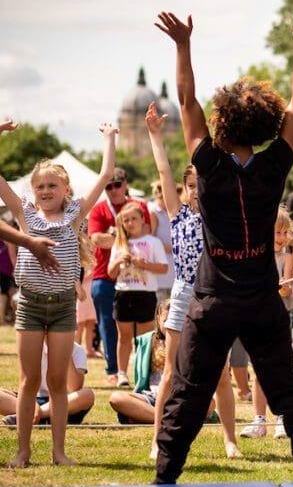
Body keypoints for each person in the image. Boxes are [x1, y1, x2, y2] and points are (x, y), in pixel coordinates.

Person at [153, 10, 293, 485]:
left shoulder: (207, 165)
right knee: (286, 391)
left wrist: (183, 44)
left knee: (188, 393)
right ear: (263, 125)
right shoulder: (274, 167)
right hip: (260, 303)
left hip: (212, 303)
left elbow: (186, 98)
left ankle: (165, 476)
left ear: (221, 125)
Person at [0, 120, 116, 467]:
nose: (46, 191)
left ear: (66, 190)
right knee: (29, 379)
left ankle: (59, 451)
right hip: (31, 306)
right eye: (40, 186)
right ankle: (23, 451)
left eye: (53, 185)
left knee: (57, 382)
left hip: (64, 307)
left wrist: (109, 138)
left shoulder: (75, 214)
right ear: (32, 191)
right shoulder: (25, 214)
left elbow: (106, 173)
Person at [145, 102, 242, 459]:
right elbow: (162, 169)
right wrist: (155, 135)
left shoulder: (223, 216)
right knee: (171, 370)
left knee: (220, 373)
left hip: (215, 294)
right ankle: (158, 439)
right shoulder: (179, 214)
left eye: (201, 183)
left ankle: (230, 439)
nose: (196, 190)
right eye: (191, 185)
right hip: (185, 291)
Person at [88, 166, 153, 385]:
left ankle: (141, 371)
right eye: (108, 186)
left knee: (142, 329)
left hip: (137, 277)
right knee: (107, 325)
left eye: (117, 185)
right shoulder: (98, 209)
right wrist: (126, 237)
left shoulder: (141, 205)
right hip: (104, 276)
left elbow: (146, 234)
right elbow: (96, 240)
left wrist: (113, 236)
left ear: (125, 185)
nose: (113, 190)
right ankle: (113, 370)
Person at [242, 206, 293, 439]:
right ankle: (259, 419)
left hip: (282, 314)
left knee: (281, 368)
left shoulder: (287, 257)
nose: (282, 238)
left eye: (285, 233)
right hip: (257, 314)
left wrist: (285, 287)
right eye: (277, 232)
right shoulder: (254, 256)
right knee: (257, 369)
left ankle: (283, 419)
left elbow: (286, 292)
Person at [108, 202, 168, 387]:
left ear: (143, 219)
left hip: (145, 293)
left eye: (134, 218)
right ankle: (122, 373)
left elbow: (164, 268)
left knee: (145, 338)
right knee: (124, 336)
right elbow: (110, 273)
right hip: (123, 293)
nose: (130, 223)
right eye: (126, 220)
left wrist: (145, 265)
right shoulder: (119, 244)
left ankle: (143, 375)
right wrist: (118, 261)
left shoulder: (153, 242)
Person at [0, 342, 95, 427]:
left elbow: (74, 387)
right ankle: (34, 414)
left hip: (66, 403)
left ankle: (29, 415)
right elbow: (27, 384)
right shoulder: (32, 346)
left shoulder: (77, 349)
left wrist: (65, 352)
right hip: (34, 400)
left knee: (87, 395)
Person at [148, 180, 176, 301]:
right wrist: (173, 249)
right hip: (160, 279)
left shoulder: (170, 212)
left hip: (173, 275)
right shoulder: (154, 213)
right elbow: (149, 242)